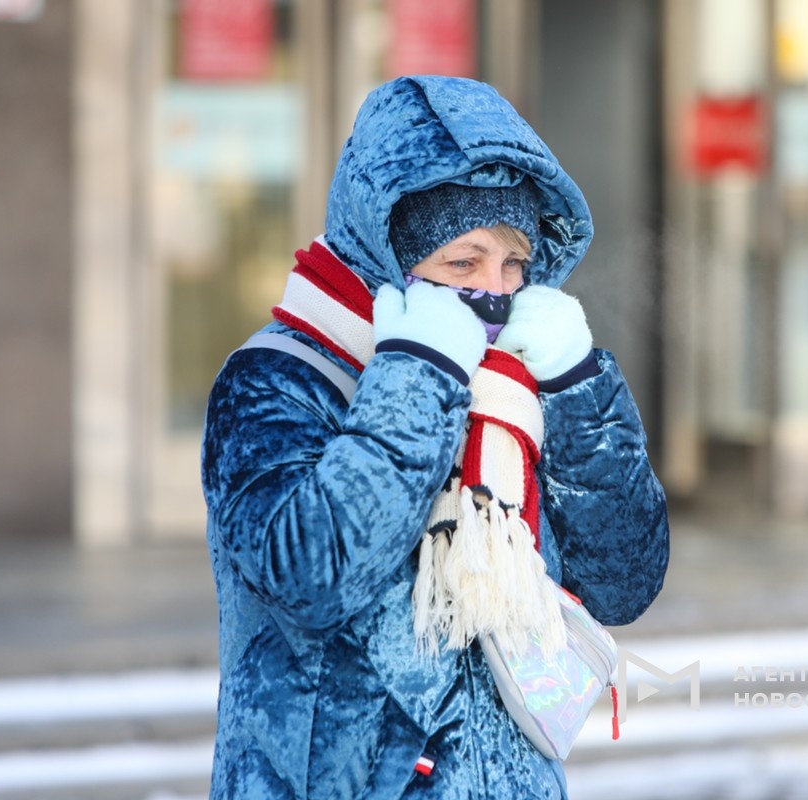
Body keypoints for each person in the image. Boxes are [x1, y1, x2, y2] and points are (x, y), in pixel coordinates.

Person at [201, 75, 669, 799]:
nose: (495, 290)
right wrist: (418, 371)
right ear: (389, 258)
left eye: (514, 263)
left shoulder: (518, 387)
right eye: (462, 262)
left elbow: (624, 580)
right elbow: (311, 575)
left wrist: (579, 385)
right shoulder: (276, 380)